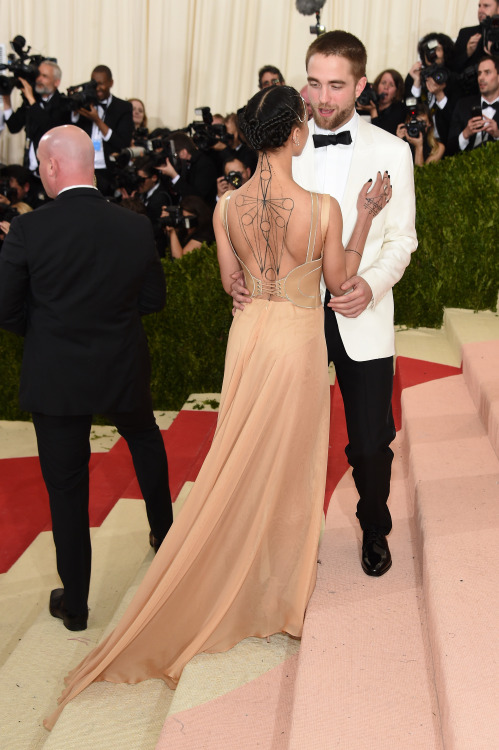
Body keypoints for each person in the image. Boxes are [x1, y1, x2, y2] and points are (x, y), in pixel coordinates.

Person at [43, 84, 391, 730]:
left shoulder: (226, 204)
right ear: (293, 135)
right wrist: (366, 213)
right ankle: (276, 592)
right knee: (287, 461)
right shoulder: (324, 207)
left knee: (239, 452)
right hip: (292, 340)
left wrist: (254, 286)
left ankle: (244, 563)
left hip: (249, 337)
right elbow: (341, 282)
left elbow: (229, 282)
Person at [233, 31, 417, 577]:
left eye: (336, 85)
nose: (322, 97)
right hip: (293, 320)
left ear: (361, 86)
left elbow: (401, 239)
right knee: (287, 438)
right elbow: (256, 227)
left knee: (370, 443)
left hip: (363, 316)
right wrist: (244, 279)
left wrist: (373, 285)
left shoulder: (392, 151)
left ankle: (375, 525)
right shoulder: (279, 145)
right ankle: (284, 541)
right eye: (314, 83)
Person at [0, 125, 173, 633]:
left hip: (56, 377)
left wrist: (52, 331)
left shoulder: (29, 230)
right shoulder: (134, 226)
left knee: (67, 487)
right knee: (143, 436)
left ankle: (75, 605)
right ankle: (163, 534)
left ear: (52, 167)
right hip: (120, 367)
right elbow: (152, 301)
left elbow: (6, 310)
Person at [2, 60, 69, 191]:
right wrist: (6, 98)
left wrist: (31, 100)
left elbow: (51, 131)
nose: (39, 79)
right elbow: (14, 126)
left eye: (45, 76)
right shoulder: (32, 101)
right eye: (38, 75)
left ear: (56, 82)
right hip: (30, 173)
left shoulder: (63, 104)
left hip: (52, 175)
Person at [73, 65, 134, 194]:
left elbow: (122, 142)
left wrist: (98, 120)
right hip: (84, 168)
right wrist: (75, 107)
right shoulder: (85, 104)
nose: (97, 88)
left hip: (109, 170)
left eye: (101, 84)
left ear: (111, 83)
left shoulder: (123, 107)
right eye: (94, 84)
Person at [446, 55, 499, 154]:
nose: (481, 78)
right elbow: (449, 149)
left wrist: (497, 135)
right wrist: (465, 134)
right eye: (479, 73)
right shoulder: (463, 105)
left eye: (487, 73)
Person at [454, 0, 499, 75]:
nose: (480, 10)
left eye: (486, 6)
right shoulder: (466, 34)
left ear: (498, 9)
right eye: (479, 6)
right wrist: (467, 53)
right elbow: (453, 69)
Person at [357, 68, 406, 135]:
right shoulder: (370, 102)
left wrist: (373, 112)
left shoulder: (399, 109)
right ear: (377, 86)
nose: (386, 87)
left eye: (391, 85)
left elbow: (381, 135)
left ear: (396, 92)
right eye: (383, 83)